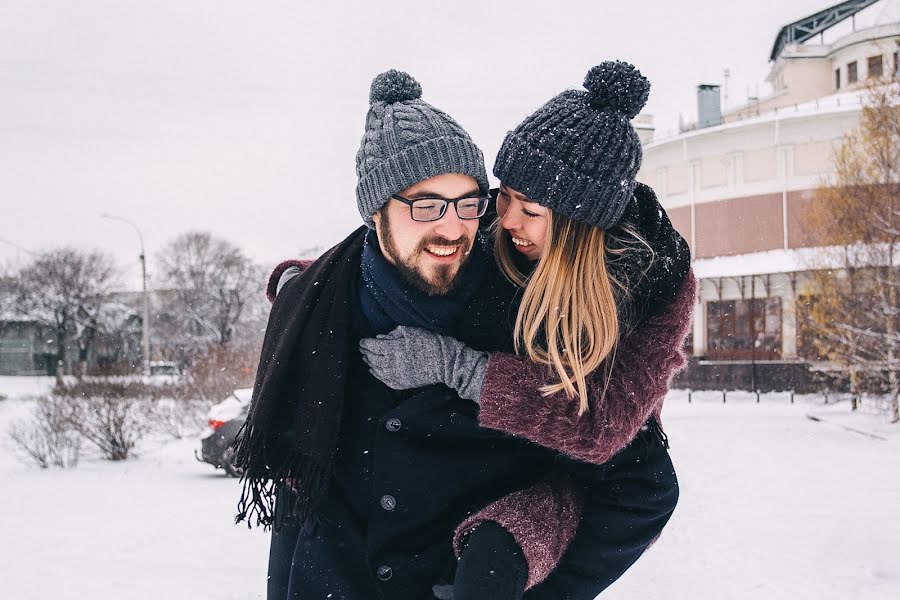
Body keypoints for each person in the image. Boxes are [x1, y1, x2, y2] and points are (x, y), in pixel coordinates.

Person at [236, 66, 687, 600]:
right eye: (425, 205)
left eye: (468, 202)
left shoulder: (537, 320)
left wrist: (506, 562)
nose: (452, 227)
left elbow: (634, 479)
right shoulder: (319, 310)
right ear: (374, 213)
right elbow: (297, 502)